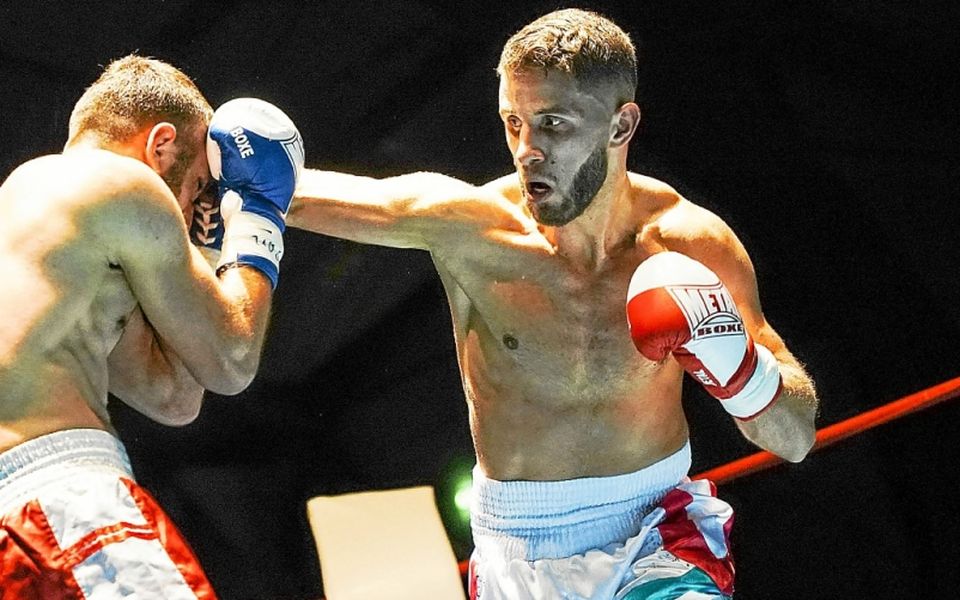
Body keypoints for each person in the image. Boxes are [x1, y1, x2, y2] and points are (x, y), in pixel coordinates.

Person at [289, 8, 817, 599]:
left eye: (554, 124)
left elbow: (793, 438)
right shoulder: (470, 229)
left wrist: (743, 371)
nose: (527, 149)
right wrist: (202, 170)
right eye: (512, 121)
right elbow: (288, 191)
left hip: (656, 537)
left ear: (621, 126)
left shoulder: (690, 244)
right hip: (513, 551)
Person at [0, 55, 303, 599]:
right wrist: (258, 219)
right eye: (196, 187)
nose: (192, 210)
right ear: (160, 146)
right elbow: (232, 362)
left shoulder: (48, 239)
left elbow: (175, 398)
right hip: (60, 502)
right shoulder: (121, 182)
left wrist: (210, 250)